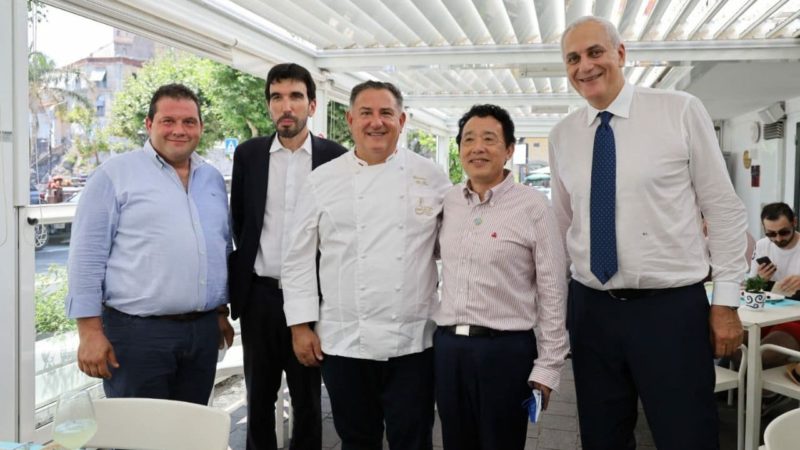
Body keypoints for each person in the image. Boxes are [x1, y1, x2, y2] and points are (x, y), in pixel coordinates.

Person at [549, 16, 748, 450]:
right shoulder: (562, 135)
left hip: (670, 311)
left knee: (687, 436)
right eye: (573, 58)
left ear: (621, 53)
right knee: (602, 438)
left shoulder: (679, 110)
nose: (585, 66)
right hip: (591, 310)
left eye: (595, 52)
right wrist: (556, 312)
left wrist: (726, 302)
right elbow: (561, 227)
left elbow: (723, 208)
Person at [281, 80, 450, 450]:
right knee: (357, 440)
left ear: (401, 121)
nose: (377, 122)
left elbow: (453, 247)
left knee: (413, 440)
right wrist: (300, 326)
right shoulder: (322, 180)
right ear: (350, 119)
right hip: (345, 341)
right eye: (367, 113)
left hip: (414, 340)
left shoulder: (432, 176)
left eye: (386, 113)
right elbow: (297, 258)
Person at [66, 83, 233, 404]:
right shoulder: (114, 175)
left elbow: (219, 247)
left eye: (189, 122)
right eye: (168, 121)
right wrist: (89, 332)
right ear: (149, 124)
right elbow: (86, 258)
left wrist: (220, 311)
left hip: (202, 332)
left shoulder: (212, 178)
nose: (179, 130)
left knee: (190, 425)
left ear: (200, 127)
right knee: (139, 428)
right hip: (137, 336)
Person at [433, 104, 569, 450]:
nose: (477, 148)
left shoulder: (533, 206)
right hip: (449, 350)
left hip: (505, 352)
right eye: (468, 139)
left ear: (509, 150)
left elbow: (553, 290)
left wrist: (548, 366)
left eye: (489, 139)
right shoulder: (448, 202)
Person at [228, 63, 347, 450]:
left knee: (308, 399)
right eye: (277, 97)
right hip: (260, 296)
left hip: (314, 299)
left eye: (295, 96)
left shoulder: (336, 157)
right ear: (269, 105)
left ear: (312, 105)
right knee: (258, 399)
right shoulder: (248, 155)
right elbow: (240, 221)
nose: (286, 106)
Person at [749, 202, 800, 368]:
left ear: (794, 222)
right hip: (768, 313)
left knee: (760, 357)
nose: (778, 239)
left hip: (795, 318)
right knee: (733, 346)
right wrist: (760, 280)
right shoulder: (762, 245)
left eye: (784, 232)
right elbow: (750, 287)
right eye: (771, 234)